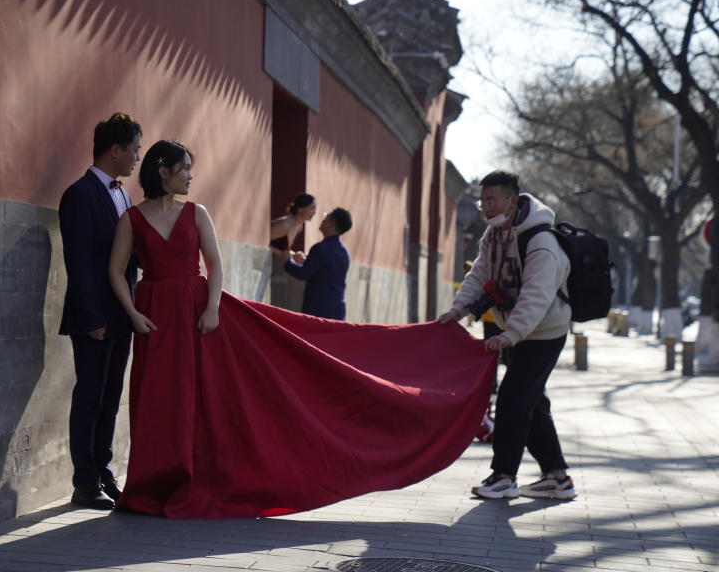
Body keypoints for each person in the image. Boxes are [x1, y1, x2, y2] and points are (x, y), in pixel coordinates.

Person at [107, 139, 497, 518]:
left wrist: (211, 308)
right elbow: (116, 270)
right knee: (158, 399)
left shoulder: (196, 213)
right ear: (163, 171)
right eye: (185, 169)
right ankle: (151, 486)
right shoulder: (132, 218)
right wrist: (132, 313)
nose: (191, 176)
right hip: (153, 315)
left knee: (203, 399)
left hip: (198, 313)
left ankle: (196, 477)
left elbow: (215, 264)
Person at [438, 170, 575, 501]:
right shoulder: (494, 235)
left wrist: (509, 334)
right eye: (482, 200)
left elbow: (537, 296)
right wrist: (458, 310)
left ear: (512, 201)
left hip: (544, 332)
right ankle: (558, 478)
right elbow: (478, 274)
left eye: (492, 200)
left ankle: (503, 477)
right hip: (517, 331)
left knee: (513, 399)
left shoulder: (541, 242)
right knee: (532, 402)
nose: (485, 206)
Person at [58, 112, 142, 510]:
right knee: (89, 396)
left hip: (122, 315)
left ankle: (103, 470)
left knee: (111, 396)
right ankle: (84, 482)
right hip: (94, 319)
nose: (137, 158)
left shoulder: (124, 195)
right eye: (134, 150)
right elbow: (77, 262)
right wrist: (92, 318)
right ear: (115, 149)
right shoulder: (79, 194)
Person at [283, 207, 352, 320]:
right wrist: (306, 261)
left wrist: (286, 262)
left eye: (326, 218)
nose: (323, 220)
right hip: (337, 310)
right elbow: (328, 270)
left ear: (331, 223)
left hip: (318, 309)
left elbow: (303, 274)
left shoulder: (321, 248)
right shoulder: (344, 252)